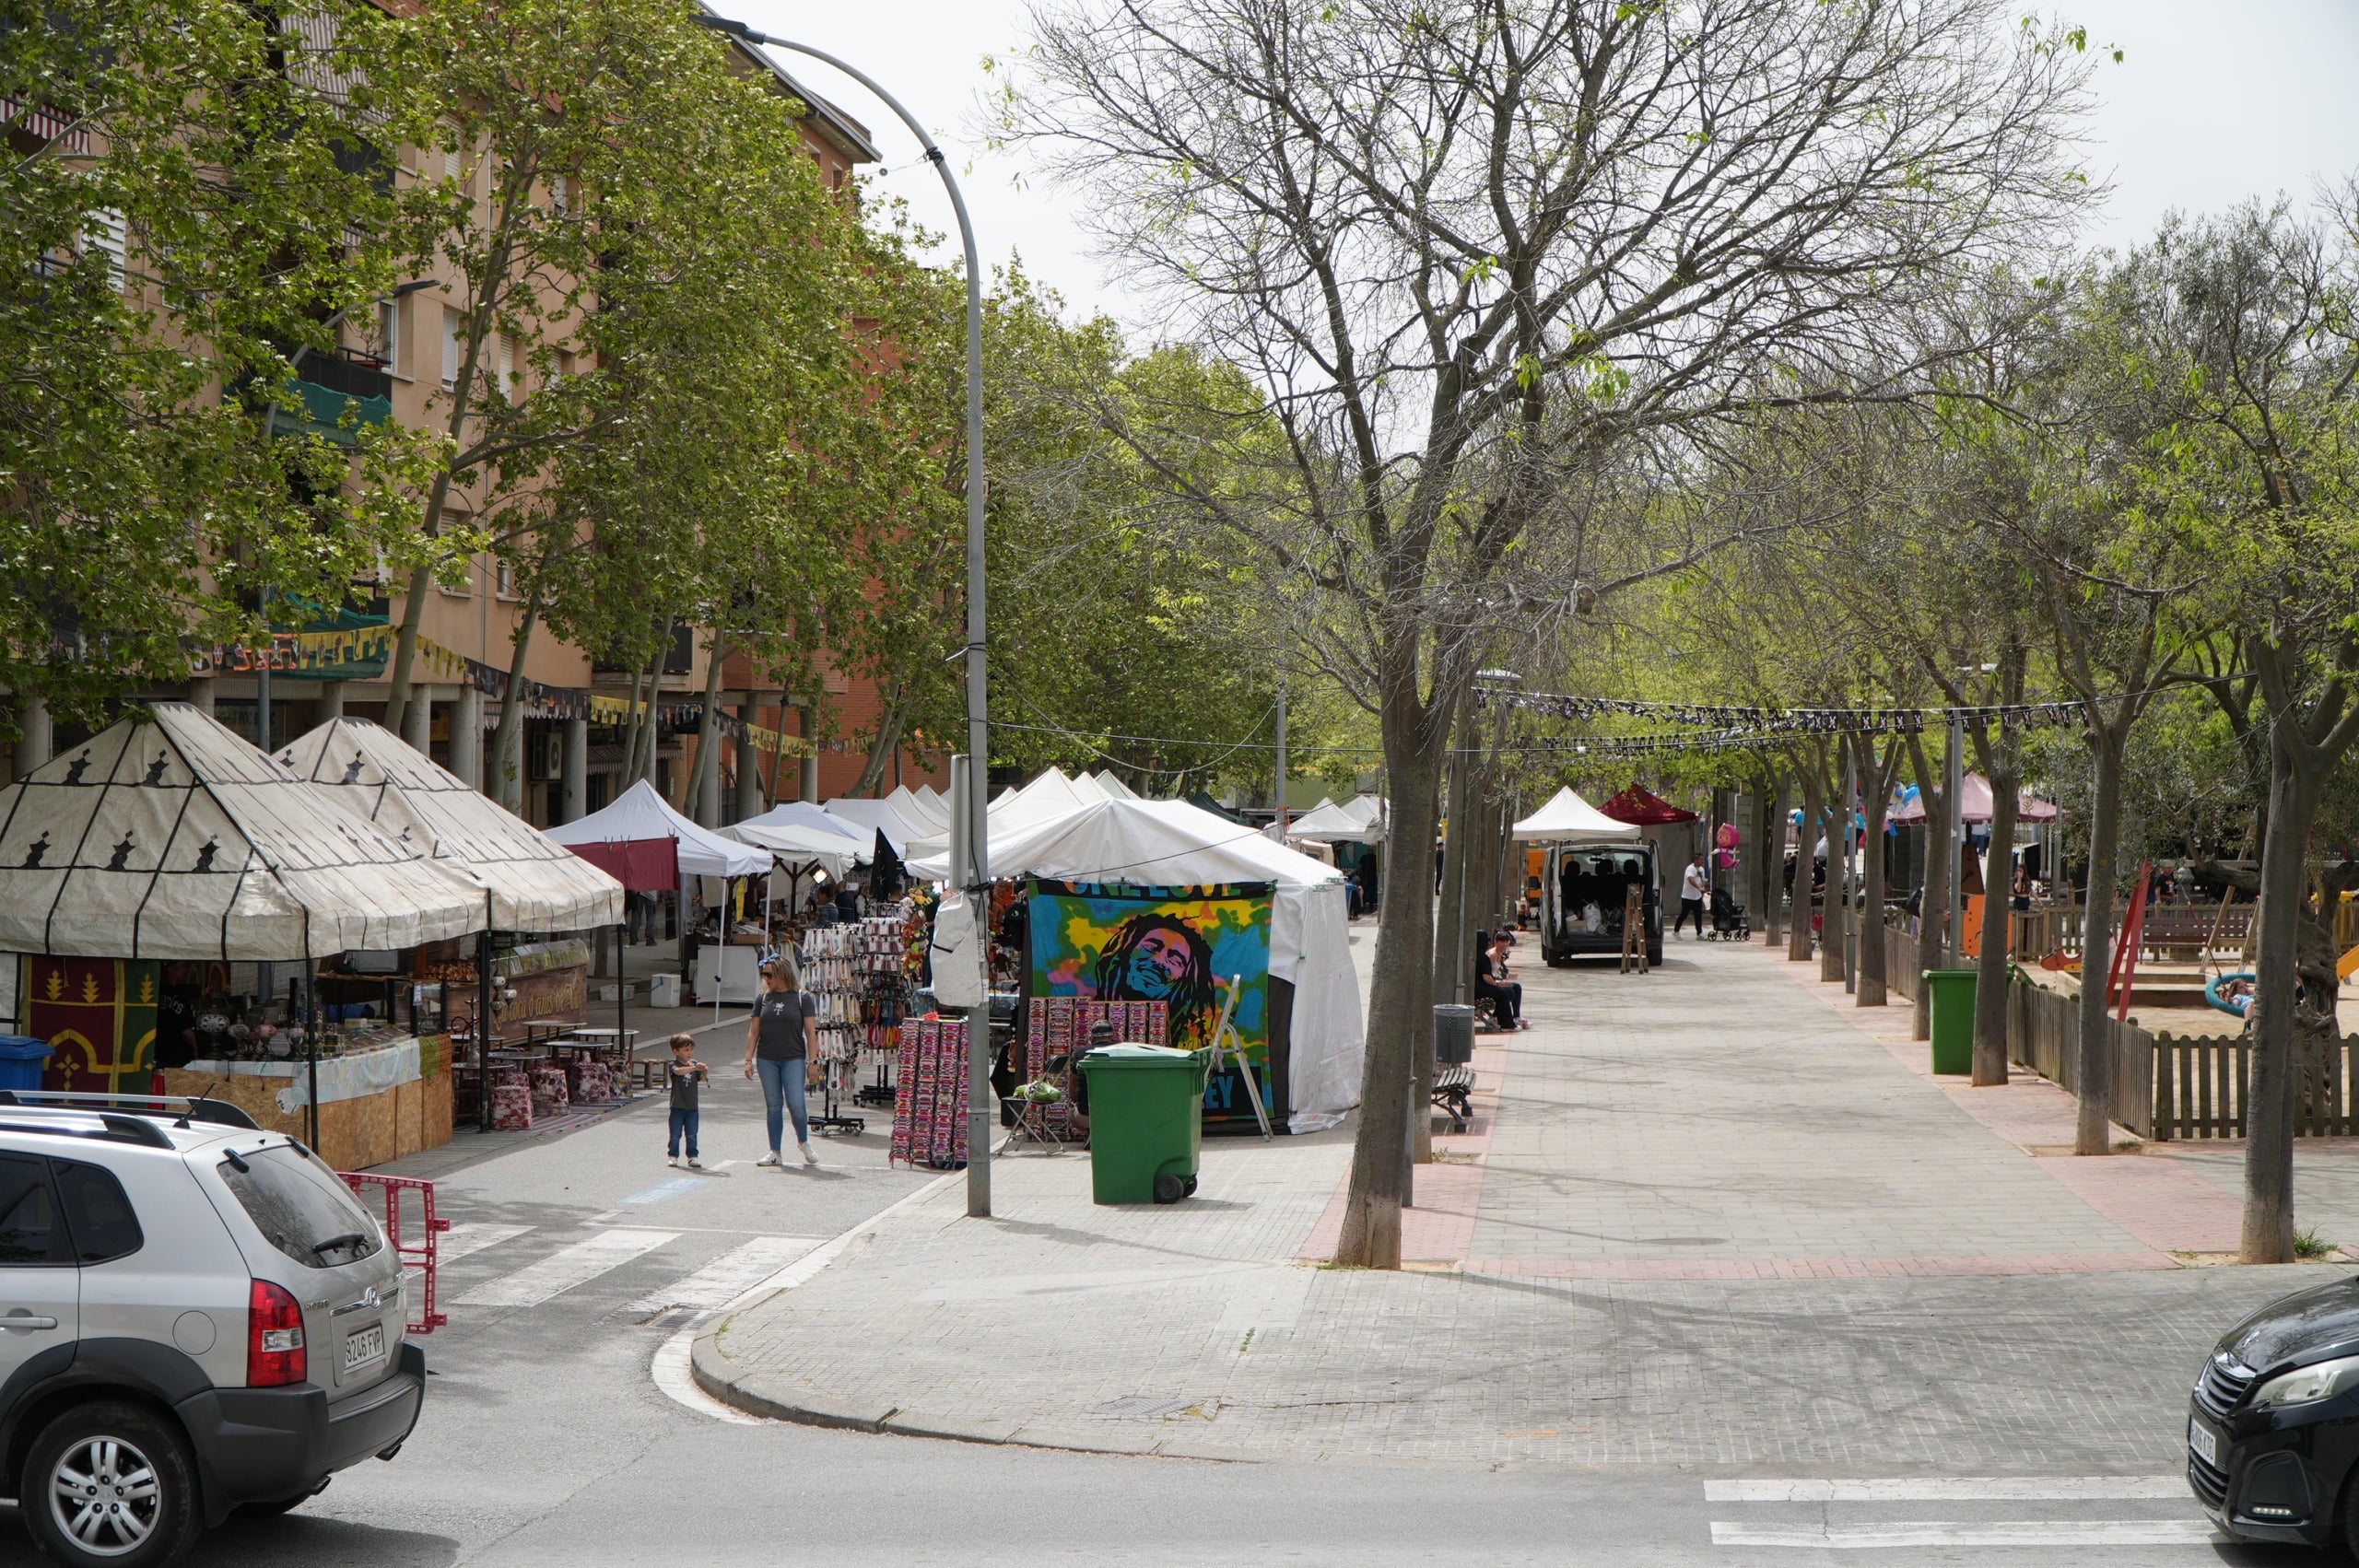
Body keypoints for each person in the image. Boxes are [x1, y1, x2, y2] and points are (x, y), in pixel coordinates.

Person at [743, 954, 819, 1167]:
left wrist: (813, 1061)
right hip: (767, 1058)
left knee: (796, 1103)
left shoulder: (802, 998)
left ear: (782, 973)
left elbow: (811, 1032)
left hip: (793, 1058)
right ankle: (775, 1151)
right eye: (763, 974)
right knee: (773, 1105)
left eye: (769, 974)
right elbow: (753, 1031)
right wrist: (748, 1059)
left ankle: (803, 1141)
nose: (765, 978)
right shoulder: (762, 999)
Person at [663, 1033, 709, 1169]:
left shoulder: (694, 1064)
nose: (689, 1053)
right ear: (676, 1051)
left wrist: (704, 1070)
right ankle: (673, 1156)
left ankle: (692, 1156)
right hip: (677, 1106)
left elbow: (702, 1078)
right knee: (675, 1134)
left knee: (692, 1133)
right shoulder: (673, 1064)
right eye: (686, 1050)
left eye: (691, 1049)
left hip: (692, 1107)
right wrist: (694, 1068)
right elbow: (678, 1072)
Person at [1475, 929, 1525, 1030]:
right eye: (1502, 942)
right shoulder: (1484, 957)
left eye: (1507, 942)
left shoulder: (1478, 955)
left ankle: (1514, 1017)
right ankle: (1506, 1024)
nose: (1505, 944)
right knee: (1504, 993)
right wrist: (1497, 984)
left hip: (1481, 985)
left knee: (1513, 988)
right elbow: (1486, 976)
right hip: (1480, 987)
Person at [1675, 852, 1709, 938]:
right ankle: (1676, 931)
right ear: (1695, 860)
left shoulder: (1701, 869)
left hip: (1697, 897)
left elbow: (1702, 880)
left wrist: (1704, 886)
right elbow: (1691, 880)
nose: (1702, 861)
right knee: (1684, 914)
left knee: (1698, 915)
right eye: (1700, 859)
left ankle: (1699, 933)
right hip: (1687, 897)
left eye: (1702, 859)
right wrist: (1699, 888)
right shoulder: (1690, 869)